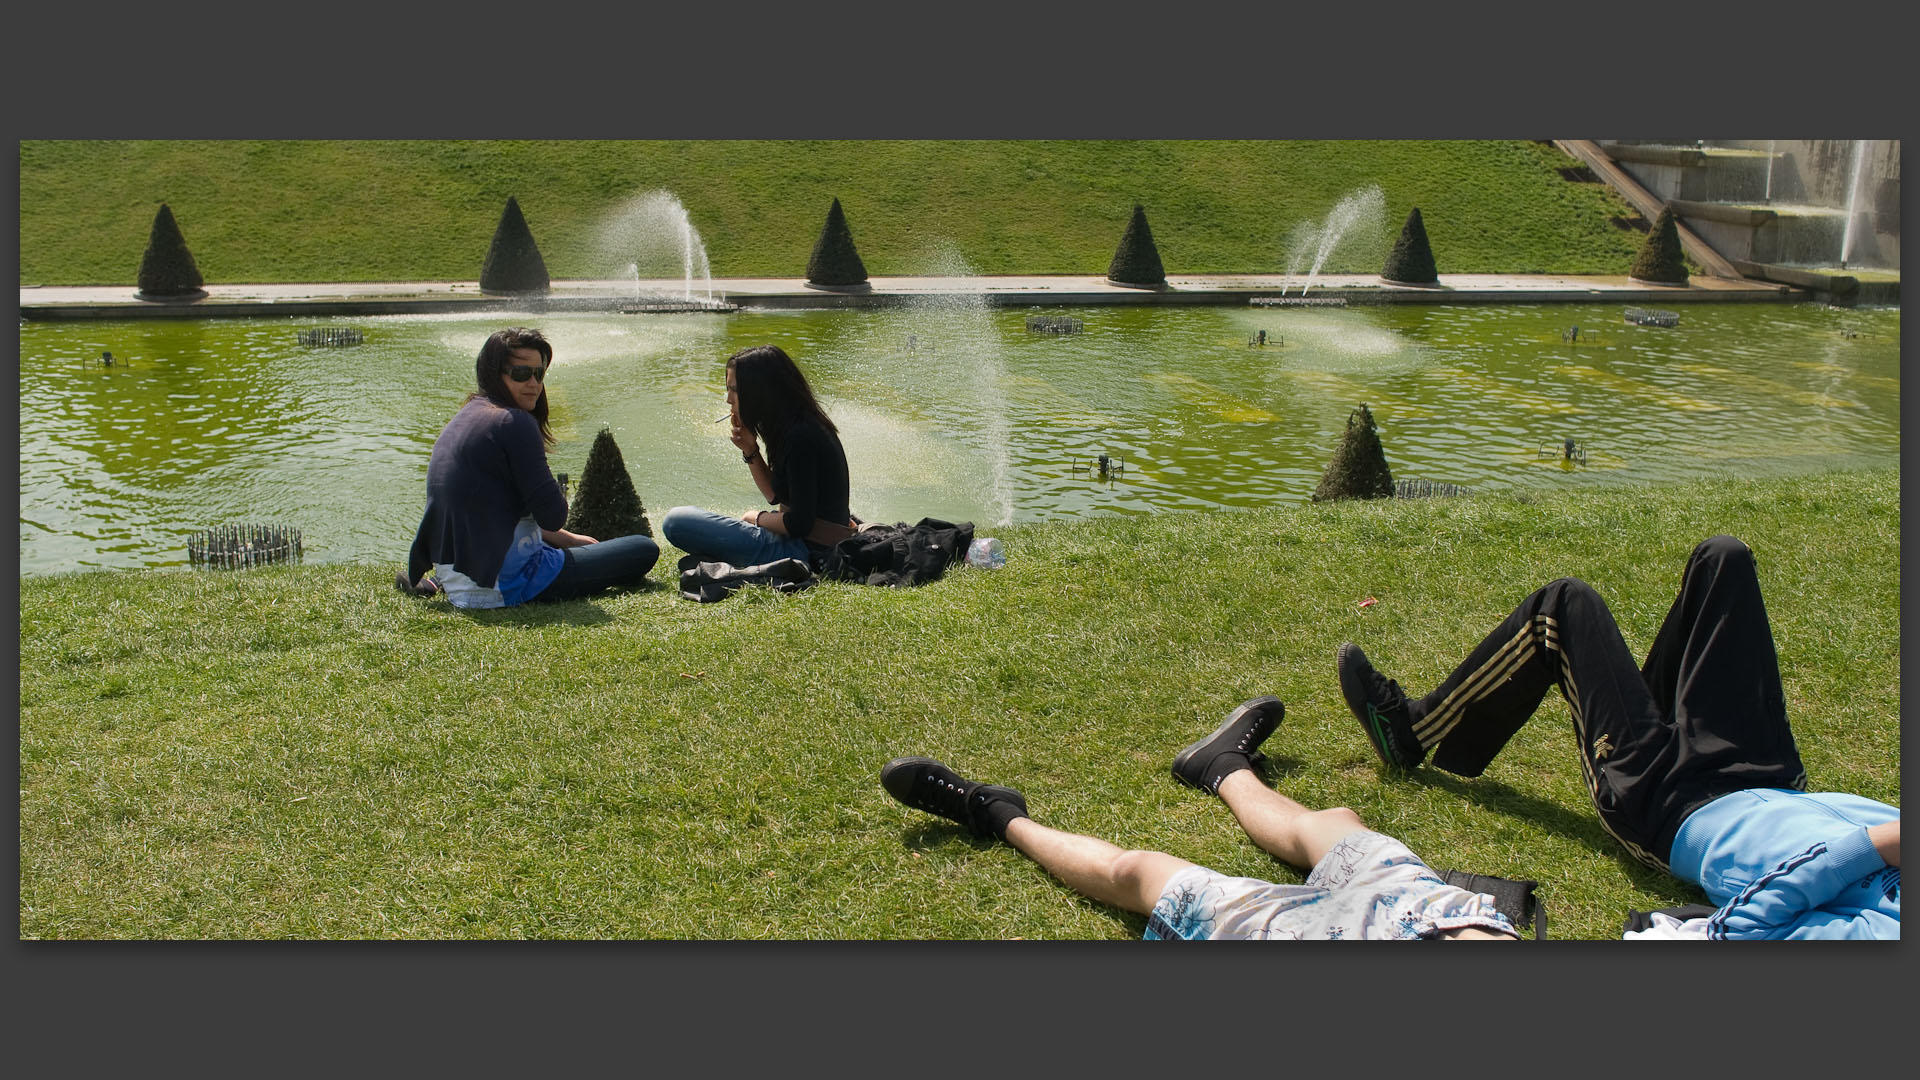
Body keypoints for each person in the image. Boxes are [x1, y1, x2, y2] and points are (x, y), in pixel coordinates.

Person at [1336, 535, 1899, 939]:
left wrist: (1878, 844)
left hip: (1674, 808)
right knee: (1724, 559)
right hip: (1768, 775)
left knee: (1561, 607)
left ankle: (1410, 732)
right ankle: (1647, 715)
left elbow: (1750, 923)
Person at [881, 697, 1519, 940]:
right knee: (1336, 822)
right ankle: (1221, 766)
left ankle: (993, 812)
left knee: (1143, 876)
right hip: (1442, 917)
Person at [402, 327, 659, 608]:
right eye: (521, 374)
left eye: (539, 373)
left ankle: (435, 582)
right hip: (506, 583)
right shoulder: (514, 422)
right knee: (642, 549)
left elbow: (498, 512)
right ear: (494, 374)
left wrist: (569, 540)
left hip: (458, 575)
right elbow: (553, 515)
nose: (533, 383)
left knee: (577, 546)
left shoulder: (469, 413)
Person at [660, 345, 858, 570]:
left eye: (734, 390)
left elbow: (799, 524)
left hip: (807, 550)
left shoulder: (800, 436)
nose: (728, 399)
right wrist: (750, 449)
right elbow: (776, 495)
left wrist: (755, 517)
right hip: (805, 543)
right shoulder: (794, 426)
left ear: (758, 391)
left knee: (676, 521)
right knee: (690, 523)